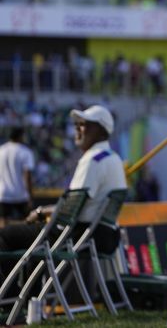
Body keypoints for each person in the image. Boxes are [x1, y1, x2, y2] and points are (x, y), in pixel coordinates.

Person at [0, 105, 127, 274]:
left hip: (82, 235)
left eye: (84, 124)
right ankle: (23, 292)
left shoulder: (92, 160)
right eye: (77, 124)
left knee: (6, 234)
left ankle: (11, 293)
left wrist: (39, 212)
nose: (77, 128)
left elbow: (70, 209)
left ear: (102, 131)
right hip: (105, 236)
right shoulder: (115, 158)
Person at [0, 127, 35, 225]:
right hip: (21, 195)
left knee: (2, 222)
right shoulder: (25, 152)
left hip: (3, 193)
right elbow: (27, 176)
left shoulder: (1, 150)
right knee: (27, 222)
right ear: (20, 136)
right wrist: (30, 196)